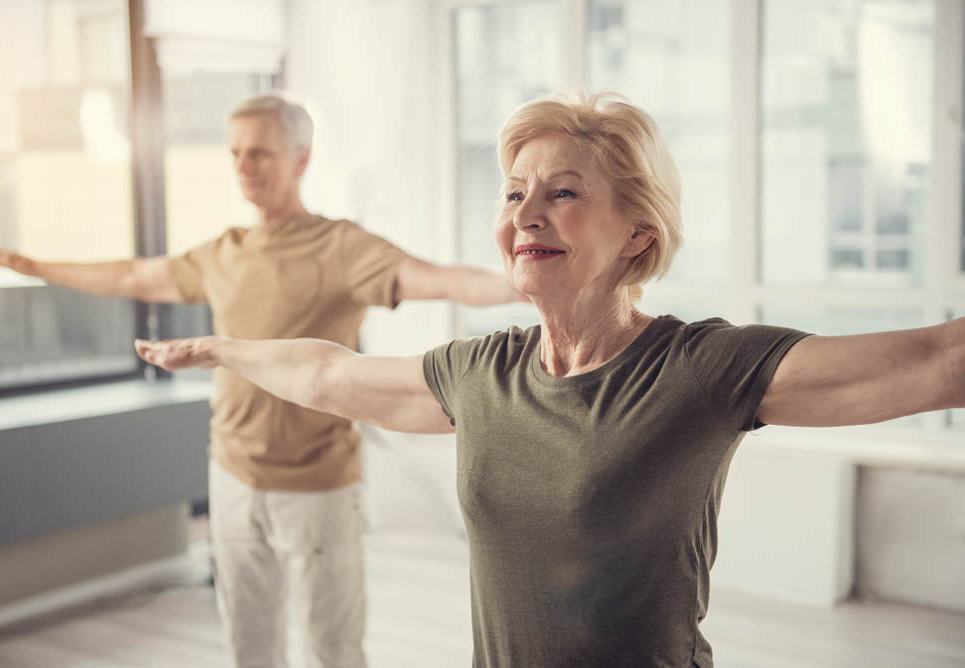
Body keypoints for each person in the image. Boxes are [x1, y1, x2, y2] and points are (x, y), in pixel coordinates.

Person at [135, 90, 965, 668]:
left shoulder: (696, 369)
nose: (525, 213)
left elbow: (937, 361)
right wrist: (223, 350)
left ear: (638, 233)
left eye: (563, 193)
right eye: (513, 192)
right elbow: (329, 373)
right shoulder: (481, 373)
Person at [0, 92, 525, 668]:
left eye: (259, 152)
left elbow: (438, 279)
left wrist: (522, 279)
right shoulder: (223, 253)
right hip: (232, 476)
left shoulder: (341, 247)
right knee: (247, 643)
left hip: (316, 487)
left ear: (300, 159)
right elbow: (132, 274)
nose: (243, 165)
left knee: (331, 648)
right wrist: (34, 268)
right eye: (236, 152)